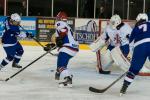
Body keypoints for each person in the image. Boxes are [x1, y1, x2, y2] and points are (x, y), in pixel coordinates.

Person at [44, 11, 79, 87]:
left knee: (61, 65)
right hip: (73, 48)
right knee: (62, 62)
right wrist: (51, 45)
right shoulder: (67, 25)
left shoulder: (60, 23)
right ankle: (60, 73)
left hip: (68, 48)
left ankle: (68, 78)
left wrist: (60, 39)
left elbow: (63, 33)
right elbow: (59, 40)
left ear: (59, 18)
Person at [120, 13, 150, 96]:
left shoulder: (136, 28)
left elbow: (131, 43)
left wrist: (132, 56)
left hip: (140, 47)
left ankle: (124, 87)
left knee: (133, 70)